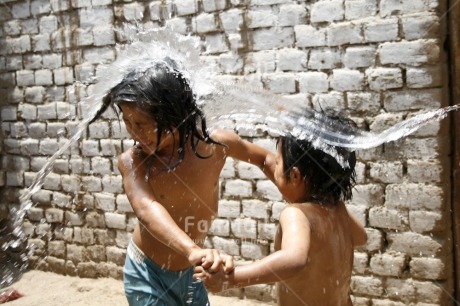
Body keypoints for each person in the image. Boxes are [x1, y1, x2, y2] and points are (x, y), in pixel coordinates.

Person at [89, 58, 239, 305]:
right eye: (127, 121)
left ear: (173, 115)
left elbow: (266, 159)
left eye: (142, 124)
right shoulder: (133, 161)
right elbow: (147, 209)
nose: (134, 133)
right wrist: (193, 251)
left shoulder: (214, 146)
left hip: (192, 273)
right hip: (147, 275)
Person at [194, 126, 368, 305]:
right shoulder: (338, 210)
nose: (273, 165)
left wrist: (232, 279)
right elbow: (361, 237)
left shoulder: (296, 213)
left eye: (277, 163)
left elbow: (294, 259)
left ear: (294, 176)